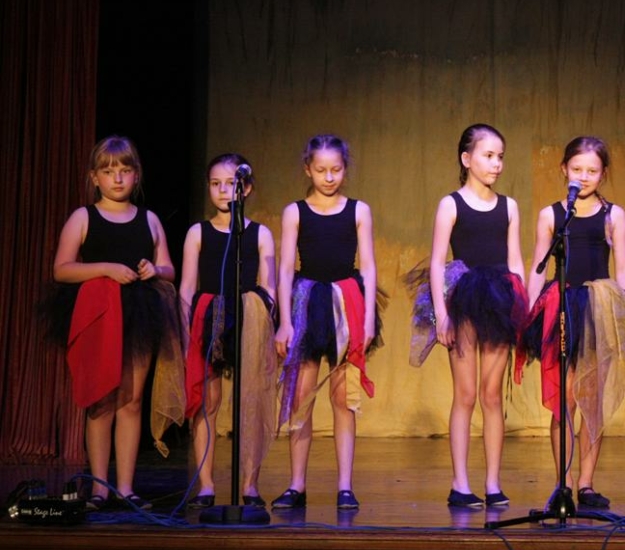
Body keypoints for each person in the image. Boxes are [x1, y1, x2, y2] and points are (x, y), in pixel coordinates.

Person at [47, 135, 184, 511]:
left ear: (136, 175)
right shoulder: (83, 217)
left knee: (132, 400)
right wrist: (106, 268)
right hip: (98, 314)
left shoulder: (149, 219)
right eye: (109, 172)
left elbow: (169, 269)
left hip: (139, 314)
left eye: (125, 170)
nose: (118, 178)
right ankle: (99, 488)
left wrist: (155, 269)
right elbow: (62, 269)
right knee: (101, 399)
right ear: (95, 177)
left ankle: (125, 486)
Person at [520, 136, 625, 511]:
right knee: (564, 400)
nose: (584, 176)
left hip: (598, 307)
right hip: (561, 306)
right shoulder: (551, 215)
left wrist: (624, 311)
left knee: (592, 400)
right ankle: (561, 483)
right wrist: (529, 310)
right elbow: (538, 266)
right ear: (564, 169)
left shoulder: (613, 215)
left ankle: (587, 483)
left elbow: (623, 266)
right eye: (577, 169)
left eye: (592, 170)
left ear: (603, 173)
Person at [408, 123, 527, 508]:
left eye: (500, 157)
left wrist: (520, 305)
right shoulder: (451, 204)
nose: (496, 164)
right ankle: (460, 483)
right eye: (488, 156)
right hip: (463, 299)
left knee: (492, 395)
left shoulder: (509, 206)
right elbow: (437, 262)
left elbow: (515, 260)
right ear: (466, 159)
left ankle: (493, 482)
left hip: (499, 299)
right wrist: (442, 315)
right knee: (466, 393)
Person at [272, 134, 381, 510]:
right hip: (307, 303)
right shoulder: (295, 212)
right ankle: (296, 484)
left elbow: (368, 266)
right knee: (301, 396)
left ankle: (345, 486)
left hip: (345, 303)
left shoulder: (358, 211)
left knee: (342, 397)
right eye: (321, 170)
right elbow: (285, 268)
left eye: (336, 170)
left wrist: (368, 319)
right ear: (308, 169)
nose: (329, 177)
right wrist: (284, 321)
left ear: (345, 169)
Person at [179, 154, 278, 509]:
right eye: (215, 184)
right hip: (210, 317)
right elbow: (187, 287)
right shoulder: (198, 232)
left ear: (246, 188)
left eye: (231, 184)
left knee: (250, 401)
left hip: (248, 317)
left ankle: (249, 484)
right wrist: (185, 332)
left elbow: (270, 286)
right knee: (209, 401)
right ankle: (206, 484)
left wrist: (266, 324)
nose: (223, 190)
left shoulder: (260, 233)